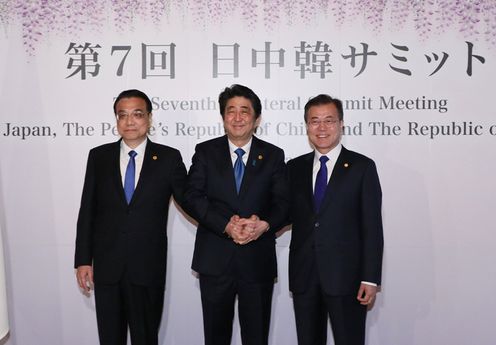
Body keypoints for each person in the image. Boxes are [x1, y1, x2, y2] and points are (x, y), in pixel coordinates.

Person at [74, 89, 187, 345]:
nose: (129, 121)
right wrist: (83, 260)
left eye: (137, 114)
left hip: (147, 268)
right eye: (122, 115)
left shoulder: (168, 158)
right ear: (116, 120)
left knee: (146, 338)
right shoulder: (99, 157)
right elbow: (87, 210)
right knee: (110, 339)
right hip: (107, 268)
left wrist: (226, 222)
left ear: (149, 118)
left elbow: (190, 201)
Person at [183, 84, 288, 345]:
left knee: (256, 337)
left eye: (245, 111)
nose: (238, 117)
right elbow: (192, 197)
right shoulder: (206, 151)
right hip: (215, 260)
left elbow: (285, 204)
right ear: (223, 117)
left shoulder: (273, 155)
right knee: (216, 337)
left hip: (257, 261)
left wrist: (264, 224)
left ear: (256, 118)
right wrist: (225, 226)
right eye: (231, 111)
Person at [287, 94, 384, 345]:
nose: (321, 128)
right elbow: (283, 213)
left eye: (329, 120)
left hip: (347, 278)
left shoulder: (362, 167)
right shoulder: (293, 168)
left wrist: (370, 277)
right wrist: (258, 222)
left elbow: (372, 227)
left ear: (341, 124)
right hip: (305, 276)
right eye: (314, 121)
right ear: (306, 125)